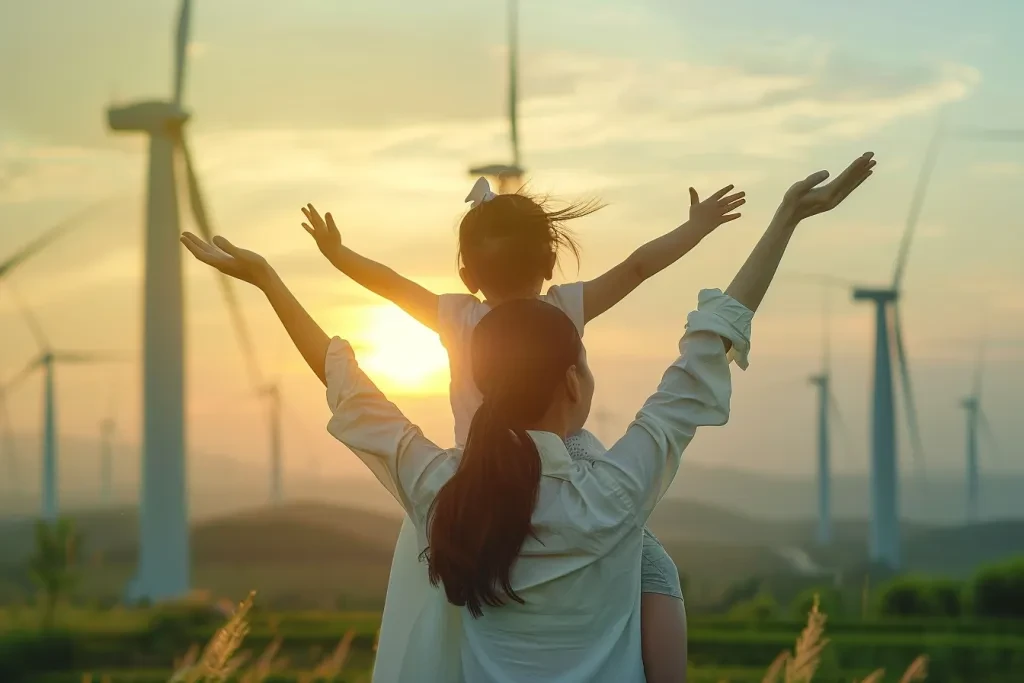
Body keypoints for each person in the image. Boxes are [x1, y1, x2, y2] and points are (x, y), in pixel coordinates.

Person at [180, 152, 875, 682]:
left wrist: (272, 278)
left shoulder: (447, 498)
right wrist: (786, 217)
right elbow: (709, 342)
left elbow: (343, 381)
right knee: (654, 570)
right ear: (573, 382)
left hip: (474, 516)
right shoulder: (615, 493)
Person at [298, 179, 746, 682]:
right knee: (650, 563)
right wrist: (696, 229)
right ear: (549, 262)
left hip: (473, 484)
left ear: (466, 272)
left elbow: (390, 286)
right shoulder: (563, 310)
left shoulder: (457, 316)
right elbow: (638, 267)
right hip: (563, 462)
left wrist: (338, 256)